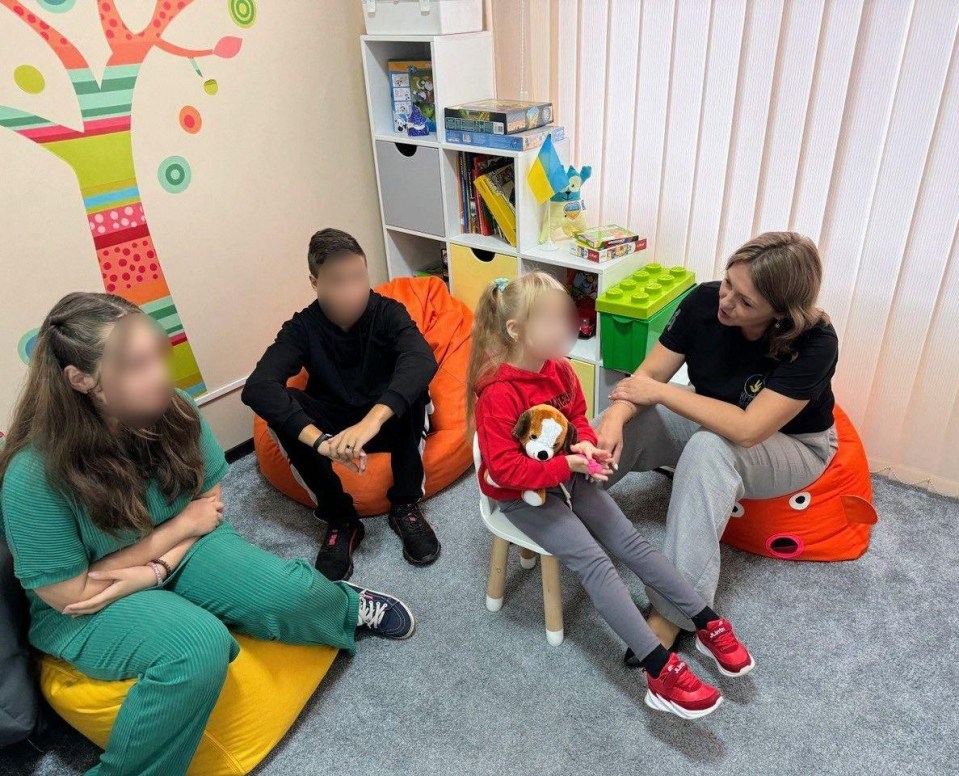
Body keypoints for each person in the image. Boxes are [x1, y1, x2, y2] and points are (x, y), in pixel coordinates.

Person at [0, 292, 416, 776]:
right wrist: (169, 543)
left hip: (176, 551)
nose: (160, 374)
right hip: (87, 604)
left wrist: (153, 567)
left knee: (295, 593)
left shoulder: (174, 410)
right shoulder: (35, 474)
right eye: (136, 365)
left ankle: (346, 605)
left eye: (159, 354)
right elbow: (65, 591)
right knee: (198, 647)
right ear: (82, 380)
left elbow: (210, 507)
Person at [469, 272, 754, 720]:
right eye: (553, 323)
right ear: (516, 331)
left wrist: (584, 443)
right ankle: (658, 671)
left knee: (632, 544)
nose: (566, 331)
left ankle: (705, 619)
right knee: (595, 562)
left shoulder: (559, 368)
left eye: (566, 320)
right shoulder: (498, 394)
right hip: (520, 494)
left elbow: (577, 418)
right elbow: (503, 468)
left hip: (567, 476)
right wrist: (568, 464)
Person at [597, 231, 839, 652]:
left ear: (781, 313)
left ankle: (673, 613)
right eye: (729, 283)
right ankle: (555, 496)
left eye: (746, 302)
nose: (727, 302)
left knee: (709, 450)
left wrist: (660, 393)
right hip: (712, 411)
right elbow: (648, 377)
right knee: (620, 419)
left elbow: (748, 429)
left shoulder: (816, 343)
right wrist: (617, 415)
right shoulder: (704, 301)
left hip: (791, 444)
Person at [242, 228, 440, 580]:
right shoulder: (302, 327)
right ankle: (341, 518)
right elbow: (258, 387)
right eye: (338, 281)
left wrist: (372, 421)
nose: (352, 291)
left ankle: (405, 504)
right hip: (333, 429)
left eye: (358, 278)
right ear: (315, 282)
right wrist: (321, 442)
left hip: (385, 422)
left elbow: (421, 359)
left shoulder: (388, 313)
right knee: (280, 406)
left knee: (412, 390)